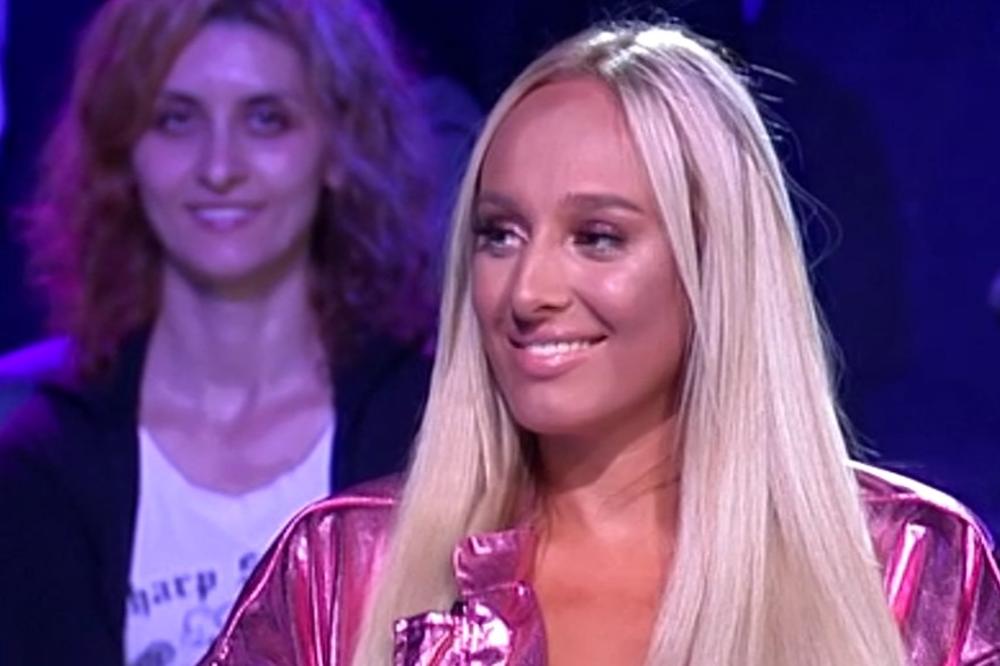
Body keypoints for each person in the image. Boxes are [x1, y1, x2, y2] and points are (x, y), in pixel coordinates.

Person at [200, 21, 1000, 666]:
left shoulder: (914, 565)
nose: (527, 292)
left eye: (597, 237)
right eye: (500, 233)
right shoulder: (337, 568)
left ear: (714, 264)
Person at [0, 0, 437, 663]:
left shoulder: (429, 431)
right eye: (177, 120)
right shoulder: (42, 465)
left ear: (339, 148)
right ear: (125, 153)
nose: (219, 167)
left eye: (266, 119)